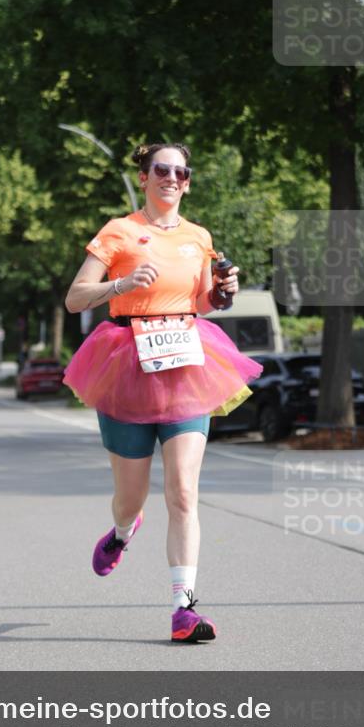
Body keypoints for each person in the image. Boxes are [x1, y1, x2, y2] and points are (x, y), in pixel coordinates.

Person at [64, 143, 263, 643]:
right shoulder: (119, 230)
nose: (172, 178)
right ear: (146, 176)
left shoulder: (199, 237)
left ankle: (184, 609)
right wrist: (123, 283)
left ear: (187, 181)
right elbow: (74, 298)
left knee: (184, 491)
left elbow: (201, 301)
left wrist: (222, 294)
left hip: (185, 363)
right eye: (162, 170)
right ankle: (122, 534)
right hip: (126, 361)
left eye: (181, 172)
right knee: (129, 499)